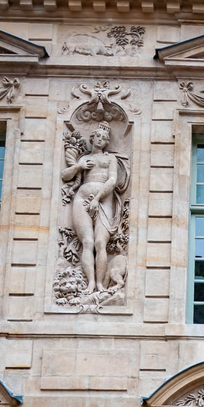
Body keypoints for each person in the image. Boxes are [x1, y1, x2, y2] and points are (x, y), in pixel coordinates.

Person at [61, 122, 125, 295]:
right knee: (87, 242)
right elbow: (65, 175)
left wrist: (96, 199)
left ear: (106, 142)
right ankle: (90, 283)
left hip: (103, 200)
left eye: (105, 138)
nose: (101, 139)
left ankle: (100, 284)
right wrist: (78, 167)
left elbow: (112, 181)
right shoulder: (84, 159)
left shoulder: (110, 159)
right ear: (93, 138)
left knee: (100, 242)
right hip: (81, 198)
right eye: (98, 136)